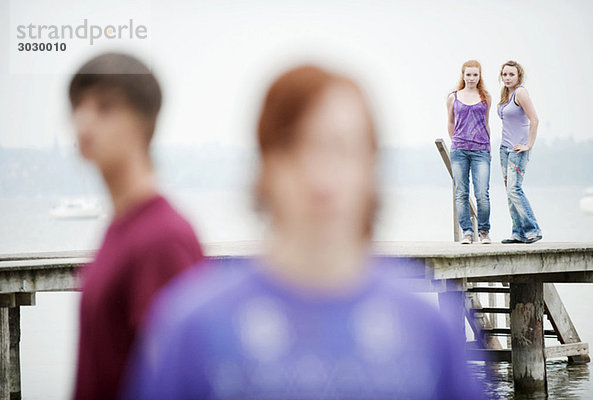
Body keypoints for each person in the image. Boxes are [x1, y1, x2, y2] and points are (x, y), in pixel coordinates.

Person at [120, 65, 483, 400]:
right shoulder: (191, 330)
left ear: (371, 167)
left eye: (341, 149)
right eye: (295, 148)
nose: (320, 177)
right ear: (264, 167)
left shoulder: (428, 332)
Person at [69, 53, 204, 400]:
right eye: (77, 105)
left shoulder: (162, 237)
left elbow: (181, 376)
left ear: (144, 122)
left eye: (105, 107)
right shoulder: (121, 228)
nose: (84, 120)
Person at [446, 60, 492, 244]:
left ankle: (484, 231)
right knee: (461, 192)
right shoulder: (453, 97)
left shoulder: (485, 97)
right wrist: (456, 141)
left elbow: (486, 123)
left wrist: (488, 147)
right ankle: (467, 232)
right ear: (463, 75)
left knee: (482, 193)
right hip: (459, 150)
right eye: (468, 74)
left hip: (481, 150)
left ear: (479, 76)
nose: (472, 78)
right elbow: (450, 122)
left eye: (475, 74)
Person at [497, 60, 542, 244]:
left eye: (511, 74)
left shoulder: (520, 92)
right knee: (510, 192)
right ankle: (517, 233)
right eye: (505, 74)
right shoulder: (504, 94)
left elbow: (534, 119)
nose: (507, 78)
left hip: (518, 149)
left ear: (518, 76)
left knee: (514, 190)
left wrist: (528, 145)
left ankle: (533, 230)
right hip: (504, 149)